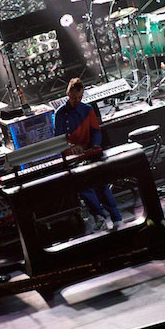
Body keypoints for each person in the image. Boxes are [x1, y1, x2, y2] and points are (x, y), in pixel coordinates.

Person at [53, 78, 123, 230]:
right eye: (74, 98)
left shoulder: (87, 109)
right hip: (72, 157)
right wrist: (71, 147)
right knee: (85, 188)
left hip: (90, 152)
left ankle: (116, 217)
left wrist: (95, 145)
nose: (77, 101)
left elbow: (96, 131)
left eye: (79, 97)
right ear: (68, 94)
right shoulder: (60, 114)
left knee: (101, 185)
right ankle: (99, 217)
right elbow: (58, 139)